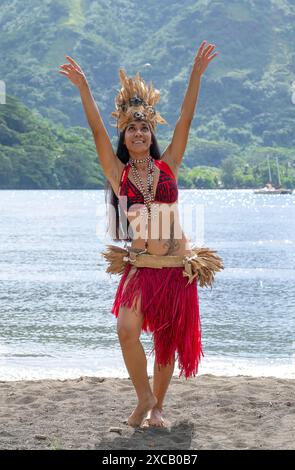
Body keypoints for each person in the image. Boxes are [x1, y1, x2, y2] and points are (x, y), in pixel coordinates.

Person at [58, 40, 223, 428]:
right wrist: (84, 90)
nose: (138, 133)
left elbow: (185, 119)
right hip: (141, 266)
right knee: (126, 329)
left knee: (167, 344)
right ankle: (144, 396)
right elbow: (97, 129)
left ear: (151, 133)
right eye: (131, 128)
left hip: (177, 268)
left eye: (144, 127)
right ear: (125, 134)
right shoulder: (119, 175)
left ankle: (156, 409)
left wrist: (195, 76)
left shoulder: (170, 165)